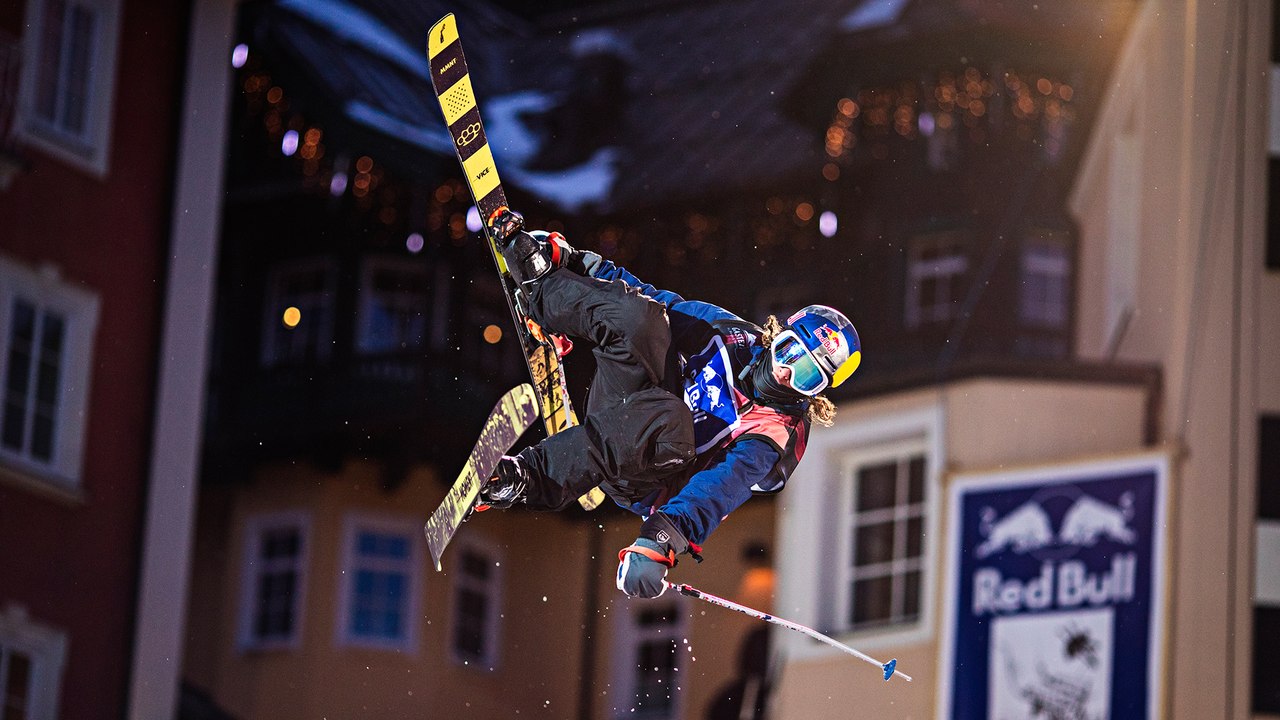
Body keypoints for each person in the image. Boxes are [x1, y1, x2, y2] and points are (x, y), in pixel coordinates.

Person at [476, 210, 862, 599]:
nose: (784, 373)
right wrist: (572, 262)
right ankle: (541, 292)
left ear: (817, 394)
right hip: (624, 401)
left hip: (645, 472)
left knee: (672, 419)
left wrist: (660, 541)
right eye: (790, 353)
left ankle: (525, 478)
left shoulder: (773, 436)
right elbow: (651, 302)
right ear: (779, 336)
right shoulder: (731, 337)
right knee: (643, 318)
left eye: (806, 376)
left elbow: (715, 492)